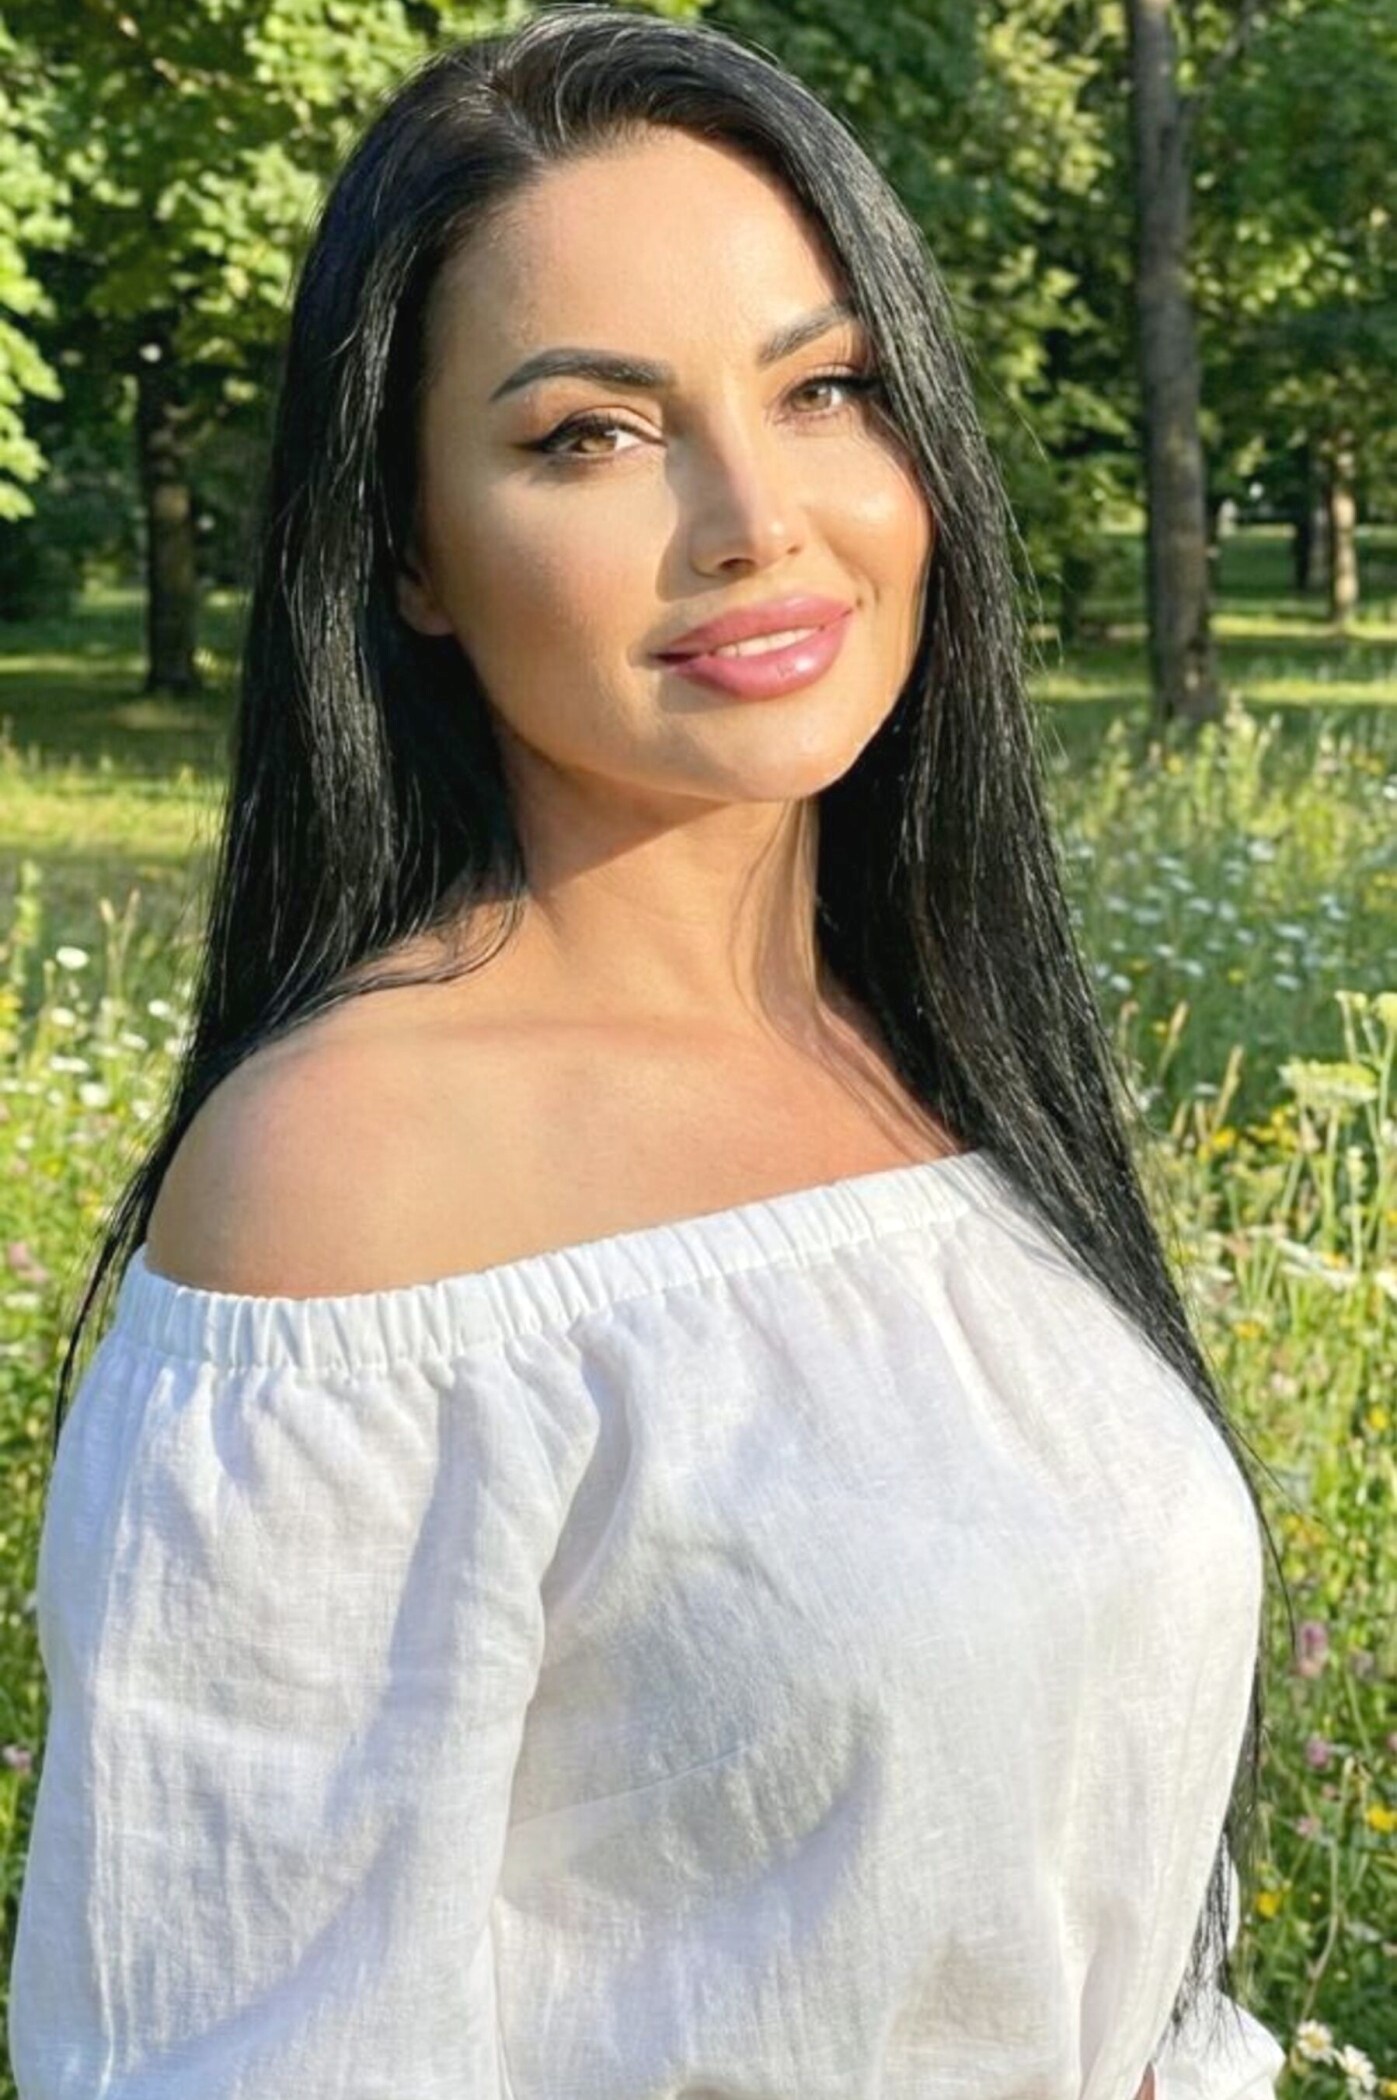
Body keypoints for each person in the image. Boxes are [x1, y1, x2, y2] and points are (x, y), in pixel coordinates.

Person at [8, 9, 1289, 2097]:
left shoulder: (926, 1053)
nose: (753, 518)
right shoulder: (354, 1177)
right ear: (406, 550)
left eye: (824, 388)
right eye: (592, 433)